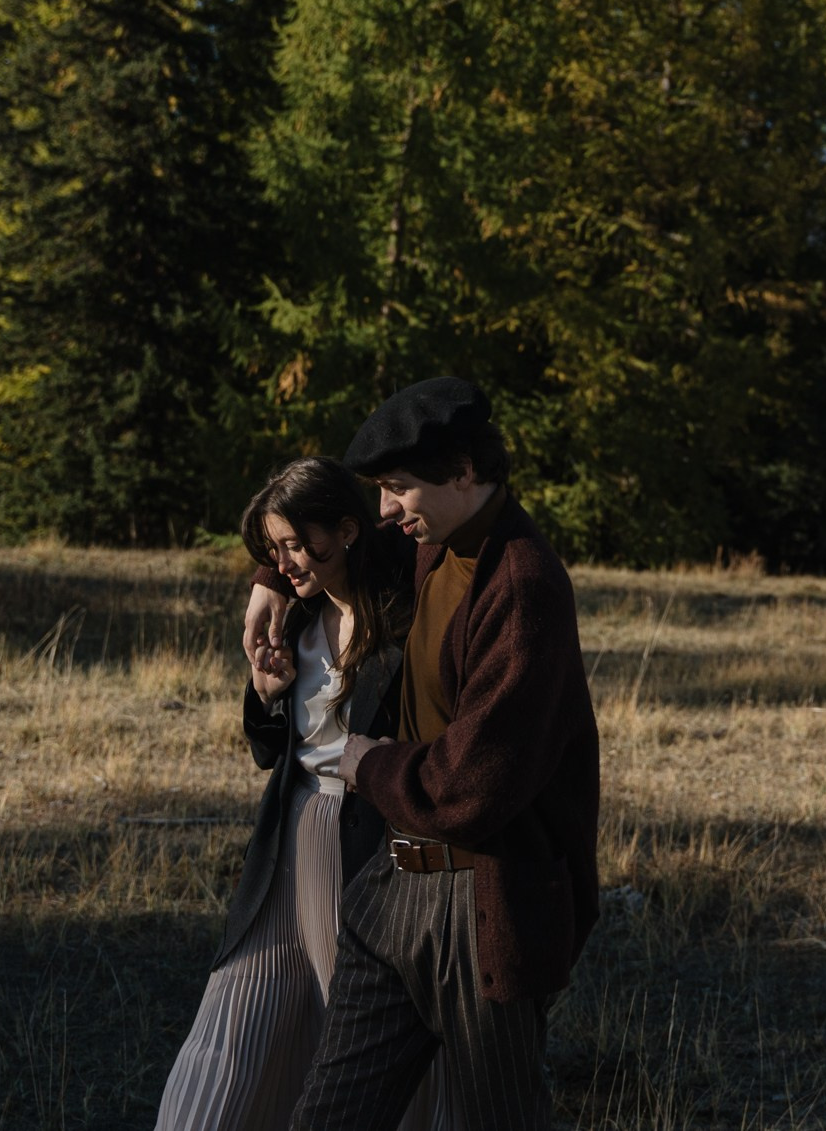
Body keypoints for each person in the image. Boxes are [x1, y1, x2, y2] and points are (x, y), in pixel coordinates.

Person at [245, 377, 599, 1131]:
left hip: (482, 904)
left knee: (498, 1121)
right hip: (391, 889)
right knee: (328, 1117)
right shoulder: (427, 542)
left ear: (464, 472)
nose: (384, 509)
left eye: (398, 487)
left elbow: (474, 784)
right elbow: (320, 536)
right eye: (380, 488)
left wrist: (365, 762)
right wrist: (270, 579)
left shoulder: (524, 584)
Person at [156, 458, 443, 1131]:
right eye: (271, 550)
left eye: (292, 545)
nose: (282, 563)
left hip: (364, 849)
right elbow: (269, 749)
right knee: (228, 1035)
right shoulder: (296, 620)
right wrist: (266, 693)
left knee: (347, 1035)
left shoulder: (407, 623)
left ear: (347, 530)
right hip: (285, 847)